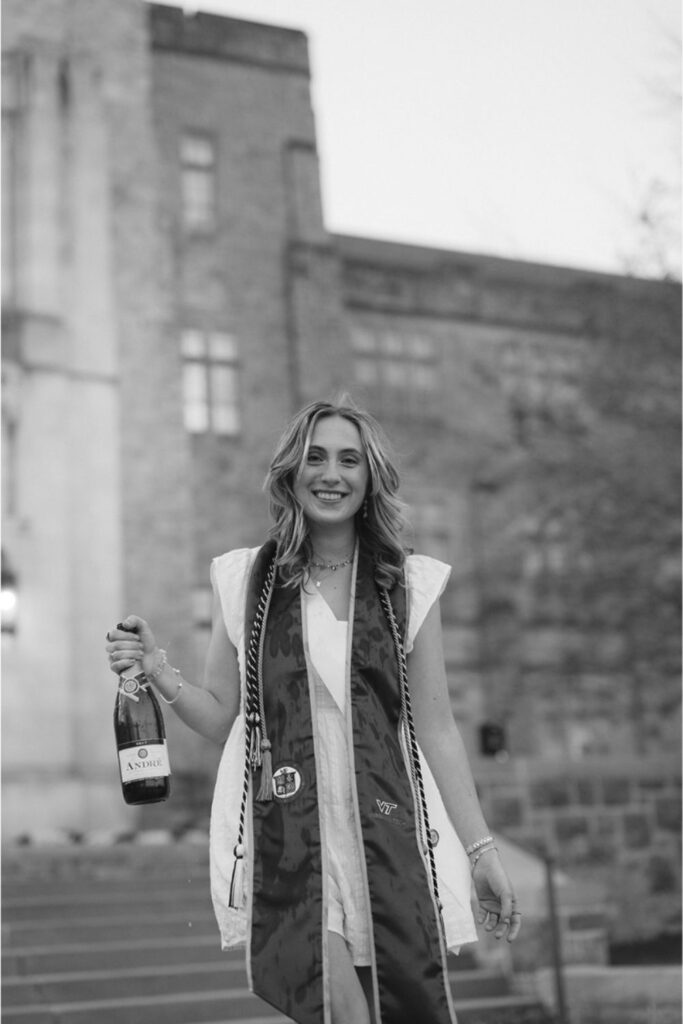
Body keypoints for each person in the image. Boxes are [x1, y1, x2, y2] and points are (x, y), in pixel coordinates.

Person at [106, 396, 521, 1024]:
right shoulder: (247, 579)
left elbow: (435, 728)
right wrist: (156, 668)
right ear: (291, 471)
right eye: (316, 457)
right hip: (288, 824)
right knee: (341, 1010)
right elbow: (223, 716)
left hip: (383, 822)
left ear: (369, 476)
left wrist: (482, 850)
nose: (332, 474)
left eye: (349, 460)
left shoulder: (406, 584)